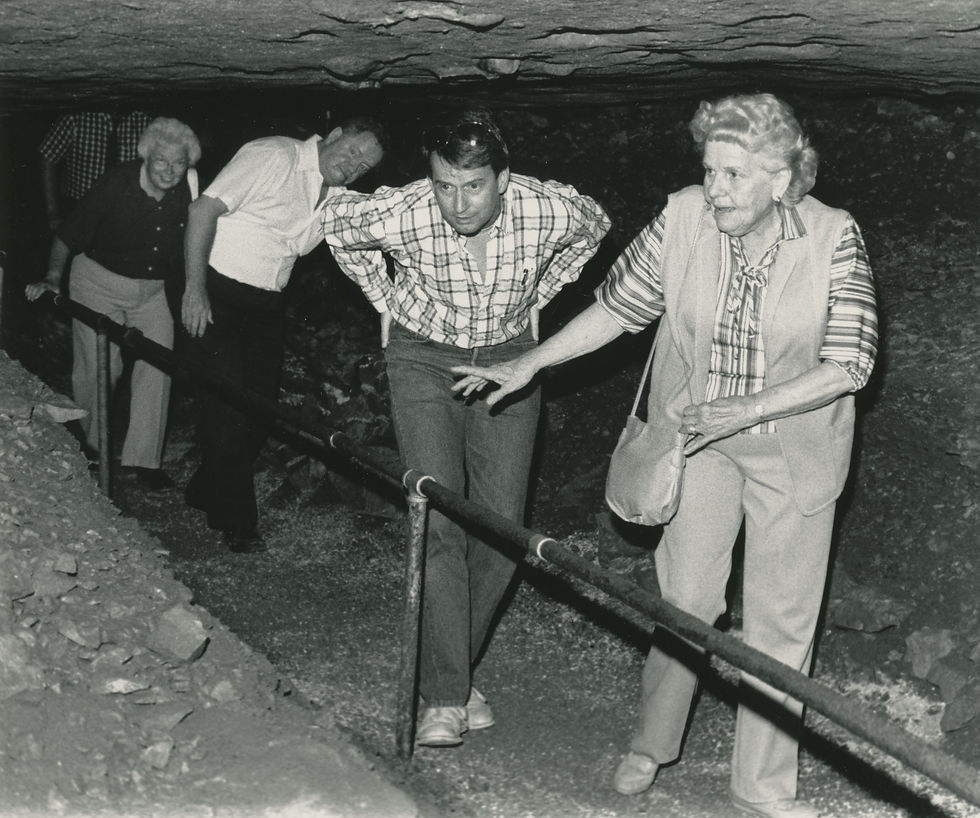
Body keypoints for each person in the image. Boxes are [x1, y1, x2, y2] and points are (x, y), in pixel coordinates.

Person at [451, 93, 878, 817]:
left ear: (782, 179)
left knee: (780, 620)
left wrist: (749, 407)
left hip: (793, 447)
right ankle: (650, 744)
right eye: (710, 170)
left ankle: (761, 787)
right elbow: (618, 309)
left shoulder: (834, 236)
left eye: (735, 175)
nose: (717, 189)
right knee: (687, 601)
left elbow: (851, 364)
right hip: (697, 441)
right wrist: (530, 363)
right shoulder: (684, 217)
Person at [321, 109, 611, 747]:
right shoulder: (404, 211)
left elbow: (597, 225)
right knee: (440, 515)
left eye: (472, 186)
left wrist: (540, 294)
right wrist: (386, 302)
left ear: (502, 177)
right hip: (423, 361)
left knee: (503, 527)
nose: (456, 203)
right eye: (444, 185)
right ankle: (445, 696)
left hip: (509, 363)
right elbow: (335, 223)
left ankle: (449, 669)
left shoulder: (545, 209)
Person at [180, 115, 386, 555]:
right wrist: (194, 289)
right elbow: (203, 209)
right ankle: (237, 522)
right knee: (226, 408)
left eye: (364, 166)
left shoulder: (340, 198)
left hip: (265, 306)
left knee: (260, 413)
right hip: (217, 289)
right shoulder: (274, 155)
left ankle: (205, 489)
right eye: (352, 152)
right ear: (333, 136)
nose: (353, 167)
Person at [25, 117, 202, 491]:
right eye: (161, 161)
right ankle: (92, 450)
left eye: (179, 163)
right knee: (102, 368)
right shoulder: (116, 185)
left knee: (158, 366)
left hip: (152, 291)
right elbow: (68, 234)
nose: (170, 171)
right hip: (98, 283)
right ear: (145, 157)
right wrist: (53, 278)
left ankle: (144, 460)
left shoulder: (189, 187)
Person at [39, 110, 153, 230]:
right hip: (80, 210)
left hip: (126, 213)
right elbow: (47, 156)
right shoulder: (75, 118)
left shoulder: (145, 122)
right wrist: (52, 212)